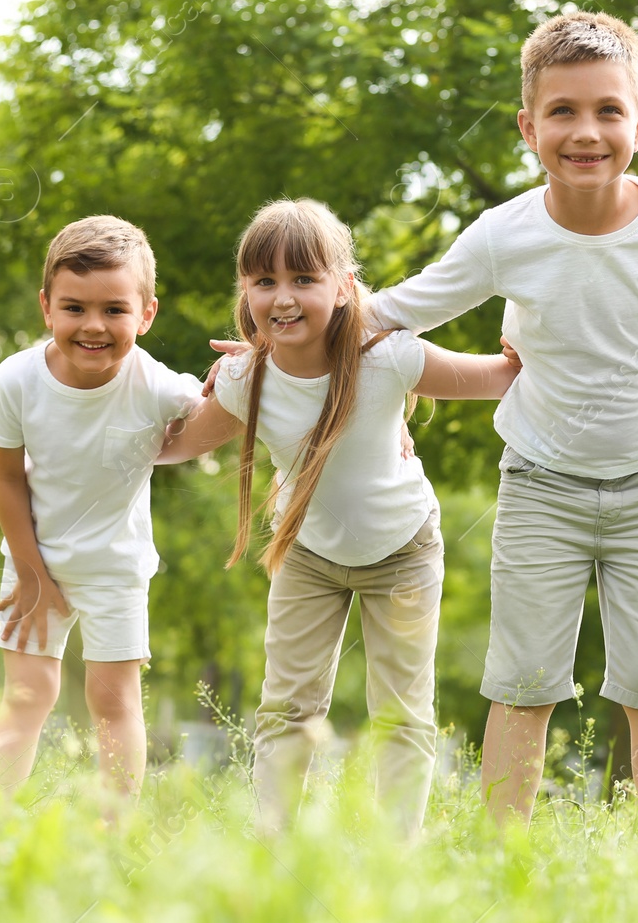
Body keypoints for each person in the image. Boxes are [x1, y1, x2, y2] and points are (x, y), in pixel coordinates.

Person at [367, 12, 638, 832]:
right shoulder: (506, 234)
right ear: (529, 126)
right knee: (525, 679)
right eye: (563, 112)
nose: (587, 131)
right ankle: (508, 856)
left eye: (608, 111)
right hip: (540, 486)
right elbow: (394, 310)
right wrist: (278, 333)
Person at [160, 198, 514, 836]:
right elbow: (178, 443)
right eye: (264, 281)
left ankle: (393, 855)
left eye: (303, 279)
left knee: (403, 712)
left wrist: (538, 336)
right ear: (245, 293)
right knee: (287, 707)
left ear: (345, 288)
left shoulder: (390, 358)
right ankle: (274, 843)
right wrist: (106, 400)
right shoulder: (245, 380)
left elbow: (499, 378)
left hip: (404, 552)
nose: (283, 297)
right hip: (307, 556)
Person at [0, 215, 203, 798]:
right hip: (33, 558)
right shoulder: (16, 380)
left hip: (115, 568)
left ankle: (114, 835)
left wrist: (244, 370)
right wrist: (30, 572)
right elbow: (5, 479)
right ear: (46, 308)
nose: (93, 326)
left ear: (146, 314)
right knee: (29, 698)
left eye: (114, 310)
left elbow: (223, 414)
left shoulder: (157, 386)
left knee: (113, 702)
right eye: (74, 308)